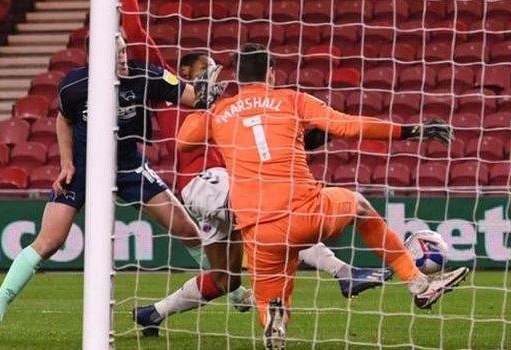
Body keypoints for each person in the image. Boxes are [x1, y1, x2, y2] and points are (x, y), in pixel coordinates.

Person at [177, 43, 470, 349]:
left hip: (260, 230)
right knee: (360, 207)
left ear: (238, 76)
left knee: (268, 298)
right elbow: (346, 125)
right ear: (271, 73)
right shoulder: (291, 99)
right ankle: (419, 284)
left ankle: (272, 321)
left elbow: (183, 143)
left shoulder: (221, 112)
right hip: (307, 212)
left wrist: (203, 104)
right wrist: (409, 131)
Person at [0, 33, 224, 343]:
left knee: (187, 230)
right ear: (95, 58)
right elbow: (64, 120)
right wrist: (66, 163)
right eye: (115, 53)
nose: (123, 58)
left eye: (124, 51)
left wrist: (206, 83)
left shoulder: (146, 74)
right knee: (49, 242)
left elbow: (193, 98)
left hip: (128, 166)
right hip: (84, 168)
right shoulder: (75, 86)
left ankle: (232, 290)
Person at [132, 52, 393, 336]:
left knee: (225, 279)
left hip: (223, 187)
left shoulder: (224, 104)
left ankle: (153, 313)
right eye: (205, 68)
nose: (213, 74)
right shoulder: (174, 96)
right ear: (183, 70)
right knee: (276, 213)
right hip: (207, 181)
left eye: (215, 68)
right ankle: (344, 272)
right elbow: (141, 41)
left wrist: (308, 138)